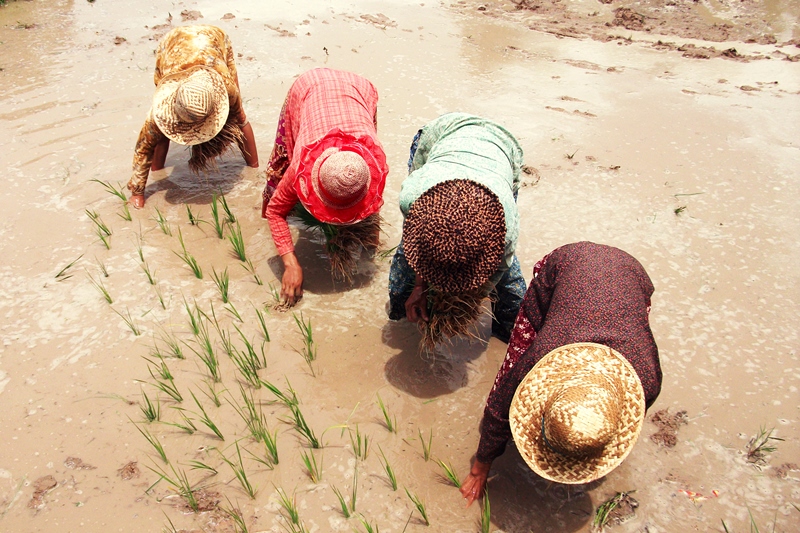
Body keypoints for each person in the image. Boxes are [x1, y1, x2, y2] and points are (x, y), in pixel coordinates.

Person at [460, 242, 663, 506]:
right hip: (566, 264)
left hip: (632, 276)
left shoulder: (645, 380)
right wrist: (480, 467)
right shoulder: (540, 357)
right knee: (521, 345)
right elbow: (499, 408)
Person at [387, 112, 526, 344]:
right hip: (442, 134)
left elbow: (494, 274)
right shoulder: (414, 197)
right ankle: (400, 317)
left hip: (501, 147)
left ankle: (508, 336)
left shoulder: (505, 228)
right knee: (404, 264)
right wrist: (420, 288)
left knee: (510, 285)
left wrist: (466, 302)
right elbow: (418, 247)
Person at [262, 68, 388, 306]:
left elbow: (371, 199)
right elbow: (274, 211)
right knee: (282, 162)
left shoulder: (372, 164)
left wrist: (370, 246)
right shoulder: (300, 167)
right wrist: (290, 263)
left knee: (352, 192)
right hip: (308, 88)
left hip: (358, 89)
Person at [127, 25, 259, 208]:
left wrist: (254, 171)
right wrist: (137, 193)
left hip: (213, 40)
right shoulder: (159, 111)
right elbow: (143, 148)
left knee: (238, 110)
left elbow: (241, 119)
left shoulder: (226, 88)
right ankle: (158, 169)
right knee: (160, 131)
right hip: (170, 46)